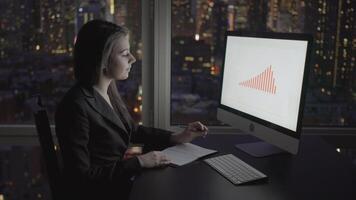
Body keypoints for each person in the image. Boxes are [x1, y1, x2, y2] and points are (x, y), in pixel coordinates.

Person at [55, 19, 208, 200]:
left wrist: (176, 137)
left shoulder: (107, 90)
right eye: (124, 53)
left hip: (118, 186)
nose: (133, 59)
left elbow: (131, 131)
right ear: (102, 59)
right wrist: (139, 162)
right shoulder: (75, 106)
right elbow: (80, 179)